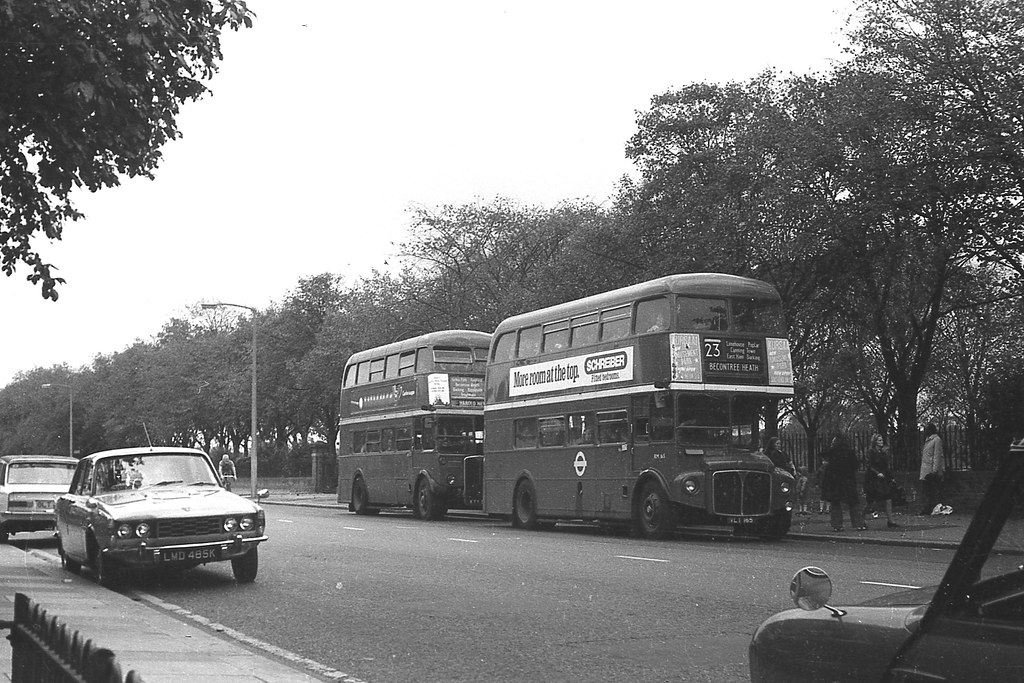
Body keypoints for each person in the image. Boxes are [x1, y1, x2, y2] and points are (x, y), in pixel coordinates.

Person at [821, 434, 865, 532]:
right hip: (848, 480)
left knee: (836, 503)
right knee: (853, 502)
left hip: (836, 481)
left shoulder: (833, 452)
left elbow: (824, 456)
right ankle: (859, 524)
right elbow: (855, 465)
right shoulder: (849, 452)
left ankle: (837, 525)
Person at [864, 434, 899, 528]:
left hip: (883, 479)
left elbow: (886, 467)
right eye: (879, 440)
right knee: (871, 500)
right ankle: (862, 519)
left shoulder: (883, 453)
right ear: (875, 441)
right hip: (873, 479)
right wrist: (876, 473)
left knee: (888, 497)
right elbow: (869, 465)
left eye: (882, 440)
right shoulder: (871, 452)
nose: (881, 442)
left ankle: (890, 520)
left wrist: (891, 477)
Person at [919, 423, 951, 516]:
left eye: (927, 429)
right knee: (926, 490)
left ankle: (929, 508)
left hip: (930, 469)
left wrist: (935, 470)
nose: (925, 431)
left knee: (931, 490)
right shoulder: (927, 440)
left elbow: (937, 456)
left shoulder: (936, 440)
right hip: (925, 468)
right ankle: (927, 508)